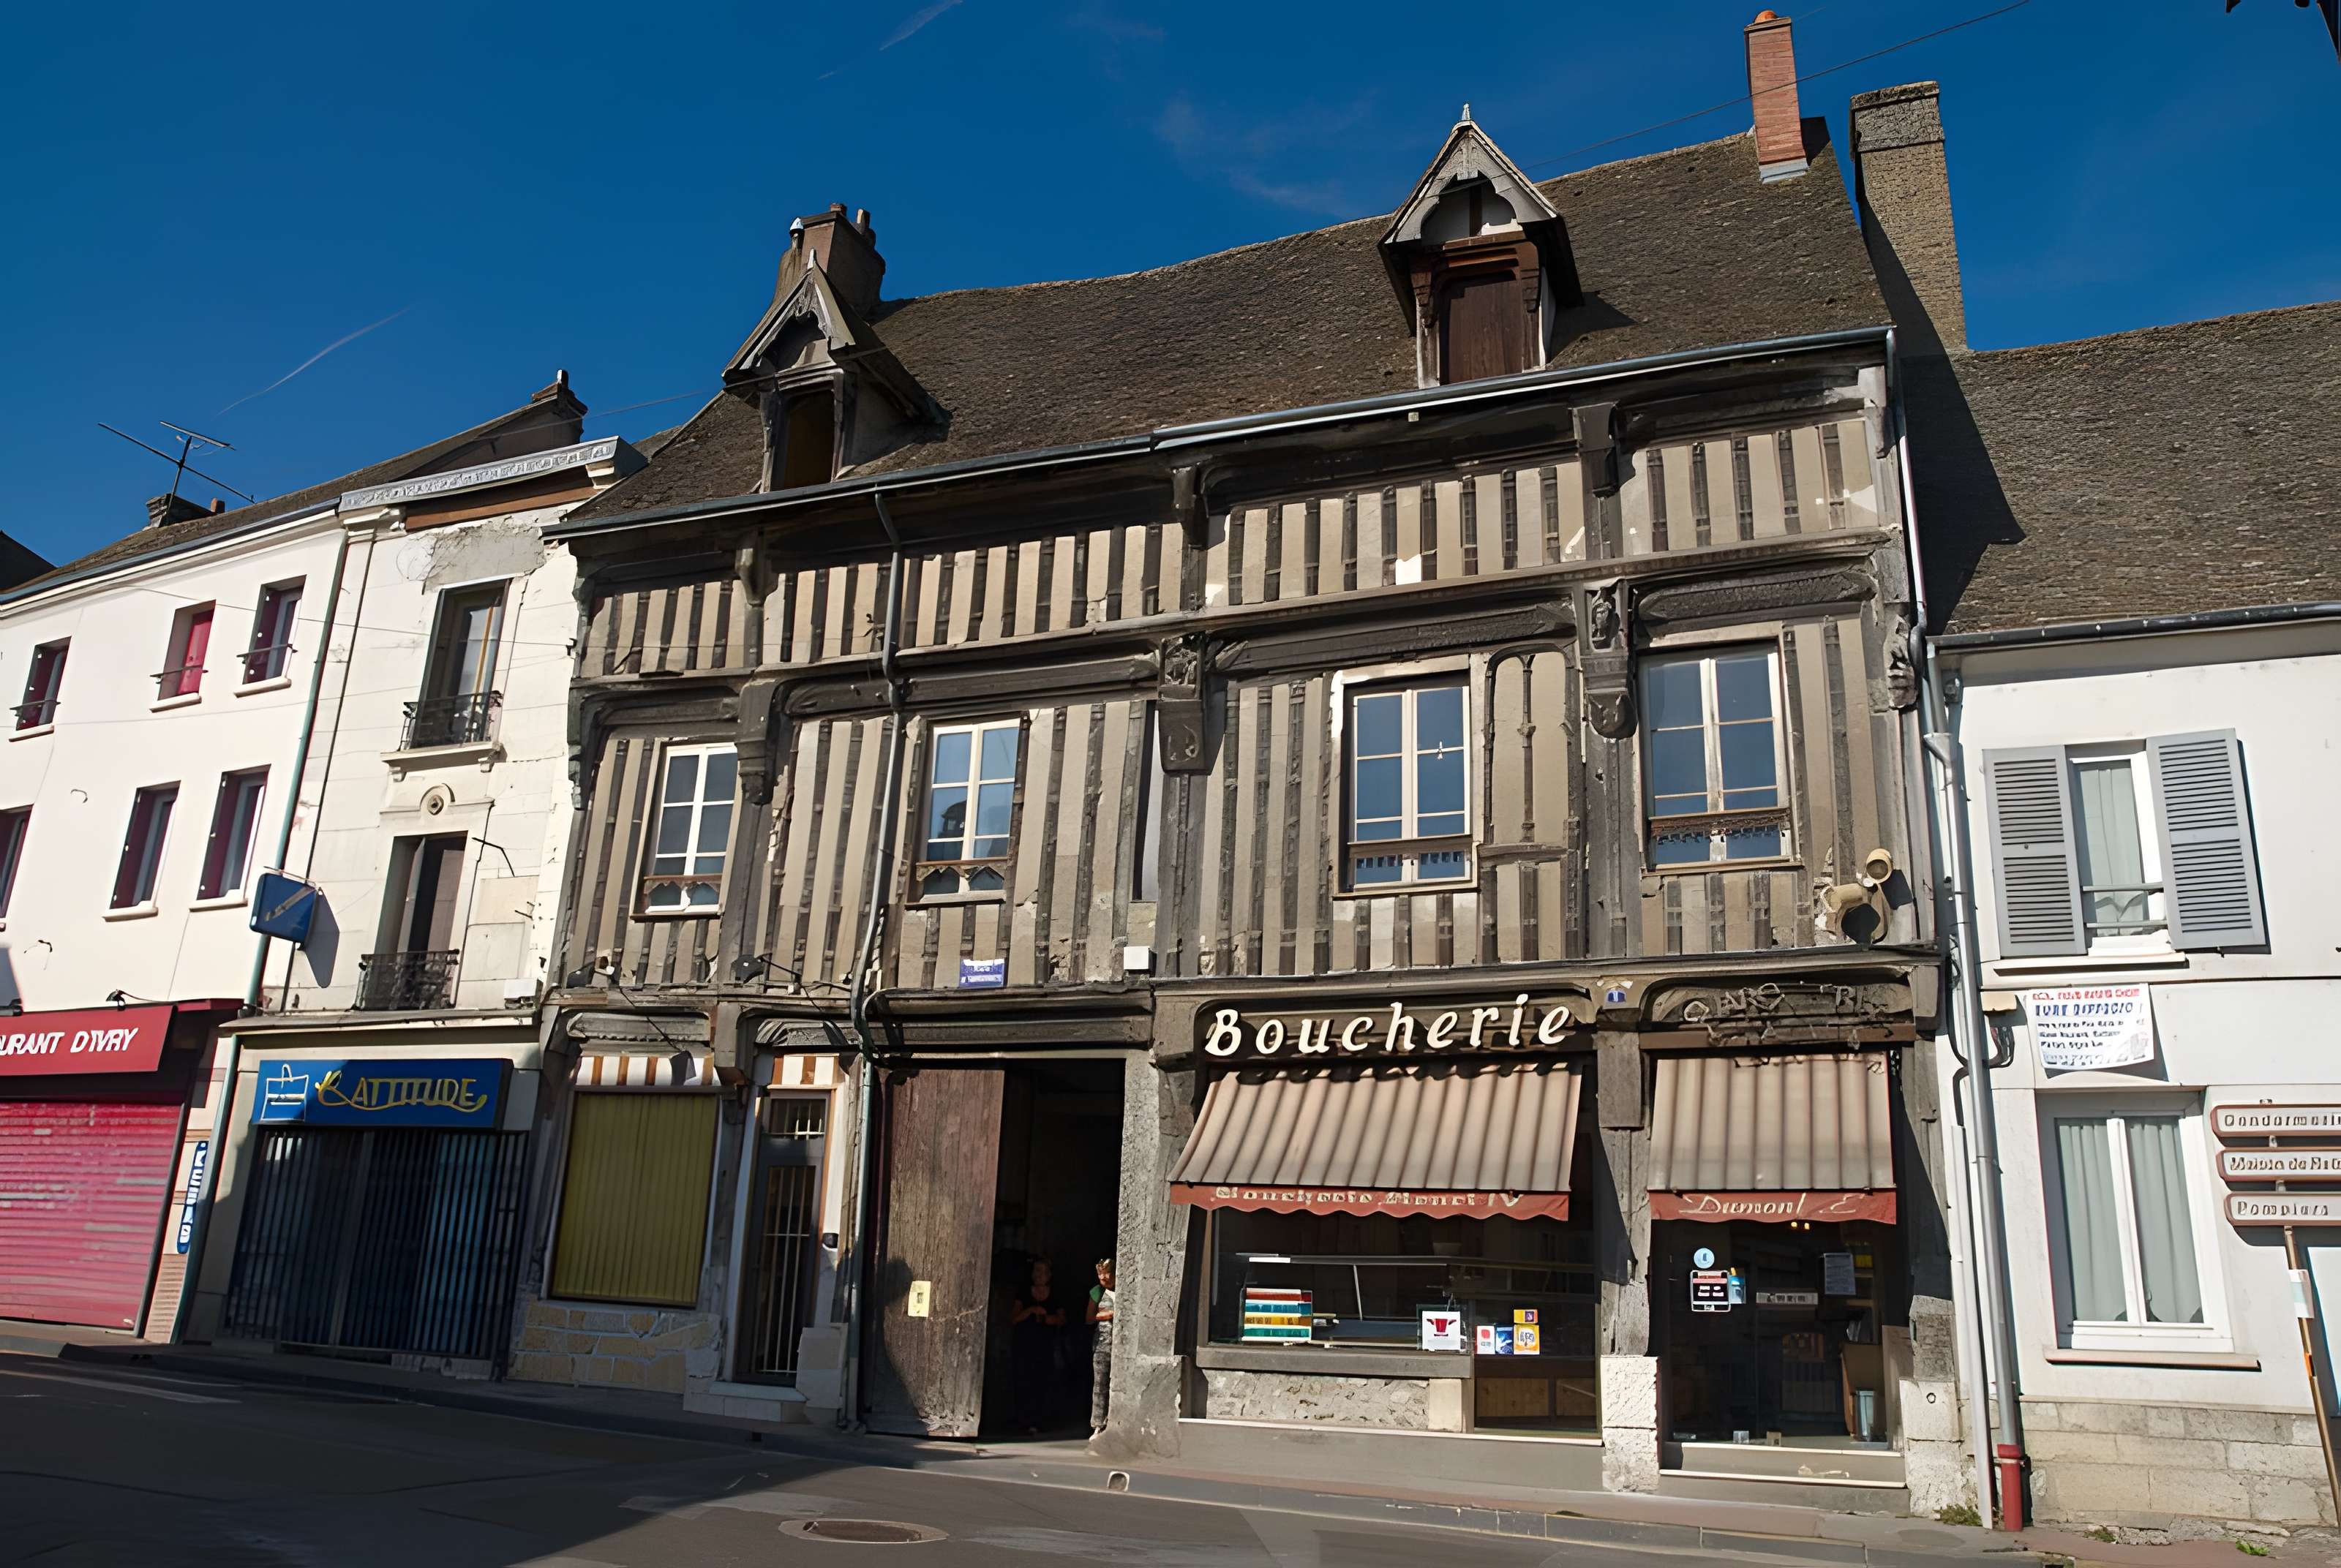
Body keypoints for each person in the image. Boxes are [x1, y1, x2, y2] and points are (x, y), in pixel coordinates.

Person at [1008, 1258, 1066, 1434]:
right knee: (1024, 1380)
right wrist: (1031, 1311)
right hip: (1025, 1345)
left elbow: (1062, 1320)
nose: (1039, 1275)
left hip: (1045, 1346)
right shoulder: (1024, 1293)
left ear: (1049, 1275)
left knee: (1044, 1382)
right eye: (1036, 1271)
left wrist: (1047, 1318)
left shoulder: (1055, 1293)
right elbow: (1014, 1318)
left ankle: (1041, 1421)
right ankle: (1023, 1421)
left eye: (1043, 1272)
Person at [1086, 1256, 1116, 1436]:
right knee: (1100, 1383)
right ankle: (1098, 1423)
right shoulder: (1097, 1292)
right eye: (1101, 1277)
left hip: (1119, 1343)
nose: (1104, 1281)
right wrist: (1108, 1315)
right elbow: (1089, 1318)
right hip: (1102, 1343)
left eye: (1107, 1277)